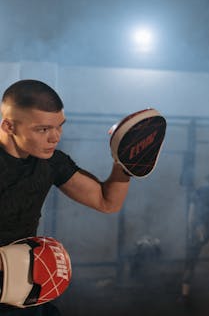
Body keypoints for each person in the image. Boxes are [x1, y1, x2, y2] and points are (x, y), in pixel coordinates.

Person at [0, 79, 132, 315]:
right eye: (42, 129)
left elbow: (106, 202)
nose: (55, 137)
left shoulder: (51, 162)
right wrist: (11, 263)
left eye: (59, 126)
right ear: (9, 126)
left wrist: (124, 163)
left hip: (24, 293)